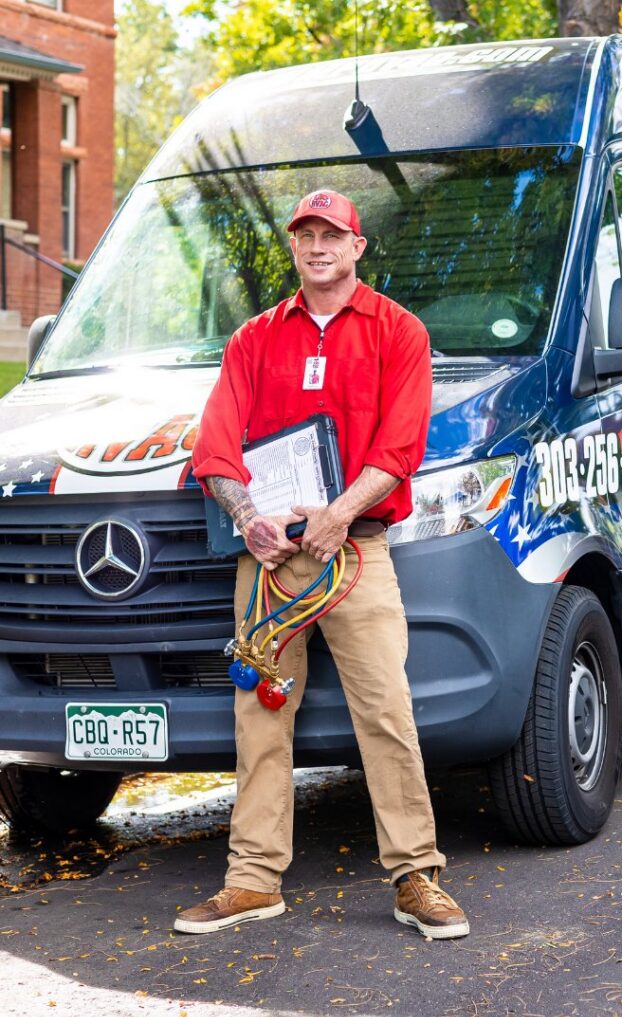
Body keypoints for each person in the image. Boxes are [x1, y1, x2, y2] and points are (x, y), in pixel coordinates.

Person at [176, 189, 469, 941]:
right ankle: (251, 882)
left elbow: (401, 449)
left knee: (386, 712)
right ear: (295, 246)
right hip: (272, 562)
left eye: (332, 234)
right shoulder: (253, 339)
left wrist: (338, 516)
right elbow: (214, 448)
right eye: (305, 234)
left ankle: (415, 877)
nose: (317, 246)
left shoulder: (399, 332)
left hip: (357, 551)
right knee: (259, 717)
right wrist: (247, 518)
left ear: (357, 247)